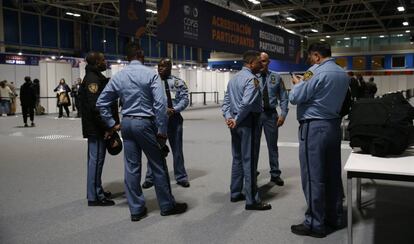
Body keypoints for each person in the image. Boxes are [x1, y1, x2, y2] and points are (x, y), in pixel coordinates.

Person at [96, 43, 187, 221]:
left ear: (128, 57)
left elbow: (101, 103)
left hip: (127, 124)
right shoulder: (150, 75)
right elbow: (160, 105)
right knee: (158, 164)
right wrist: (161, 131)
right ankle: (167, 205)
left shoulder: (119, 76)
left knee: (131, 167)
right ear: (140, 54)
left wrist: (112, 123)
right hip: (144, 124)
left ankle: (136, 209)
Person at [289, 42, 349, 238]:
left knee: (313, 176)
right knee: (332, 173)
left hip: (314, 128)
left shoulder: (313, 72)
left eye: (310, 57)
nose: (309, 60)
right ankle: (335, 216)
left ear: (316, 56)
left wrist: (297, 84)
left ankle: (315, 223)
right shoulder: (341, 72)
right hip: (333, 126)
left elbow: (296, 98)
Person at [221, 50, 271, 211]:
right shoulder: (252, 80)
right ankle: (252, 200)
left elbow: (226, 102)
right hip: (247, 121)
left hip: (235, 123)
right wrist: (237, 119)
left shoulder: (234, 79)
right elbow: (247, 103)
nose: (261, 65)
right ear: (251, 63)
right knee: (249, 161)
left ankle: (235, 192)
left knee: (237, 158)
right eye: (258, 62)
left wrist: (229, 117)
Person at [142, 58, 190, 189]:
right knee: (154, 149)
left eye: (163, 66)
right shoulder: (152, 82)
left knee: (177, 150)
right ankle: (150, 177)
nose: (160, 68)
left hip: (174, 119)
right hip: (157, 120)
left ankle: (181, 177)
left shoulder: (178, 82)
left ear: (170, 67)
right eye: (159, 66)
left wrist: (174, 110)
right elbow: (147, 100)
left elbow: (185, 99)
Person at [79, 51, 117, 207]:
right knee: (96, 162)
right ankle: (95, 196)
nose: (105, 62)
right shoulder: (93, 80)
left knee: (96, 161)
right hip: (96, 128)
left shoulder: (94, 77)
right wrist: (108, 126)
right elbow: (97, 108)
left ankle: (96, 189)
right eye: (102, 60)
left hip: (96, 127)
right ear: (95, 63)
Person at [254, 52, 289, 186]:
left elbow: (284, 97)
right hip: (255, 116)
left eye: (264, 61)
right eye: (260, 61)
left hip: (270, 115)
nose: (261, 64)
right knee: (254, 146)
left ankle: (275, 174)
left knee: (272, 146)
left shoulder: (276, 77)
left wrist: (283, 114)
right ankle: (253, 171)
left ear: (268, 62)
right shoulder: (252, 77)